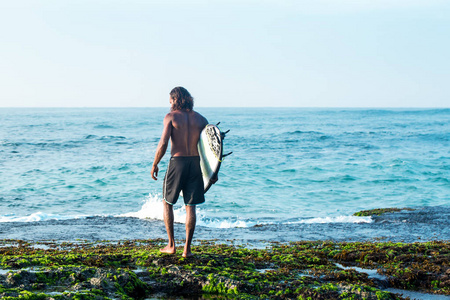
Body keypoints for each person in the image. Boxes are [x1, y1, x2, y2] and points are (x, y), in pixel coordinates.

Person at [151, 87, 215, 258]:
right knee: (190, 206)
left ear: (175, 99)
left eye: (170, 100)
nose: (169, 103)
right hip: (195, 163)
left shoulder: (171, 117)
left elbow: (163, 144)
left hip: (177, 163)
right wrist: (212, 172)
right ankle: (187, 249)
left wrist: (155, 163)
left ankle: (171, 245)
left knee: (167, 202)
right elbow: (211, 148)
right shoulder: (201, 119)